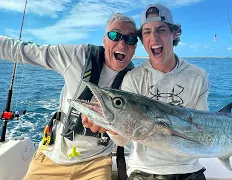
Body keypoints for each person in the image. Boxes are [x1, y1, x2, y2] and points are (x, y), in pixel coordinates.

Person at [85, 4, 232, 180]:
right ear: (142, 39)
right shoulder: (133, 78)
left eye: (161, 30)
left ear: (175, 33)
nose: (154, 38)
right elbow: (123, 141)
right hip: (145, 171)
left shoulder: (198, 76)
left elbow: (205, 130)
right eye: (147, 32)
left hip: (190, 170)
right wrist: (111, 125)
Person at [0, 13, 138, 180]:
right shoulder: (77, 55)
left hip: (97, 162)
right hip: (52, 156)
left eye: (131, 39)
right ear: (104, 40)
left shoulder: (134, 80)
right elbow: (24, 51)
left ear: (135, 47)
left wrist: (110, 127)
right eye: (115, 35)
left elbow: (124, 140)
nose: (122, 42)